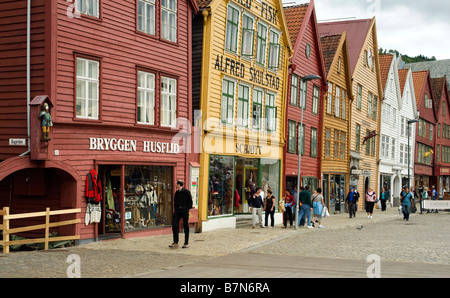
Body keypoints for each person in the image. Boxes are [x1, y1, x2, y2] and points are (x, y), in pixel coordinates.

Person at [170, 180, 193, 249]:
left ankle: (186, 243)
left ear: (179, 185)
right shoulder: (176, 193)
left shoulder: (186, 192)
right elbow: (175, 202)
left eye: (176, 184)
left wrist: (187, 209)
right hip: (177, 211)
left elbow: (190, 201)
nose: (175, 185)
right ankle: (175, 242)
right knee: (174, 225)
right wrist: (176, 209)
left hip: (185, 211)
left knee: (186, 226)